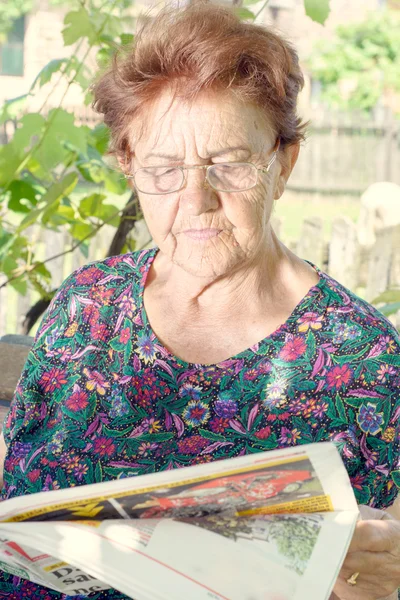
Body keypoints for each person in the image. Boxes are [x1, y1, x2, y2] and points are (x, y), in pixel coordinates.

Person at [0, 2, 399, 599]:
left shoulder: (366, 361)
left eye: (231, 164)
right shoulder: (87, 304)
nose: (196, 200)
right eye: (163, 169)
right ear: (130, 168)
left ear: (283, 164)